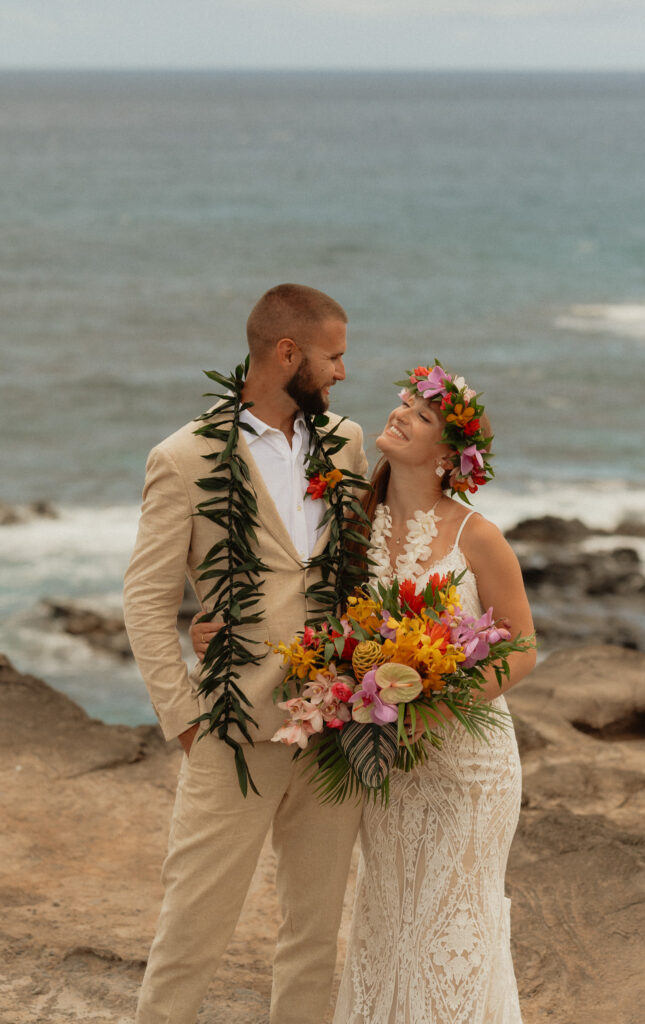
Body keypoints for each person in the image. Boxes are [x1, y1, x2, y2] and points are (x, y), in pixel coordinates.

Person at [192, 362, 536, 1024]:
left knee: (453, 922)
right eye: (402, 403)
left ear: (446, 454)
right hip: (383, 759)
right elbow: (293, 608)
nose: (400, 413)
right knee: (391, 921)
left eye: (421, 414)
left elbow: (520, 645)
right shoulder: (351, 524)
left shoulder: (478, 536)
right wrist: (224, 631)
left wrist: (439, 704)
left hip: (467, 767)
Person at [123, 283, 368, 1024]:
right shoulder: (185, 456)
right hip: (232, 733)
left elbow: (363, 566)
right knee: (192, 931)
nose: (343, 373)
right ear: (286, 353)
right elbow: (145, 597)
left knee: (313, 934)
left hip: (333, 729)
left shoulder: (348, 444)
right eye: (333, 356)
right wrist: (186, 716)